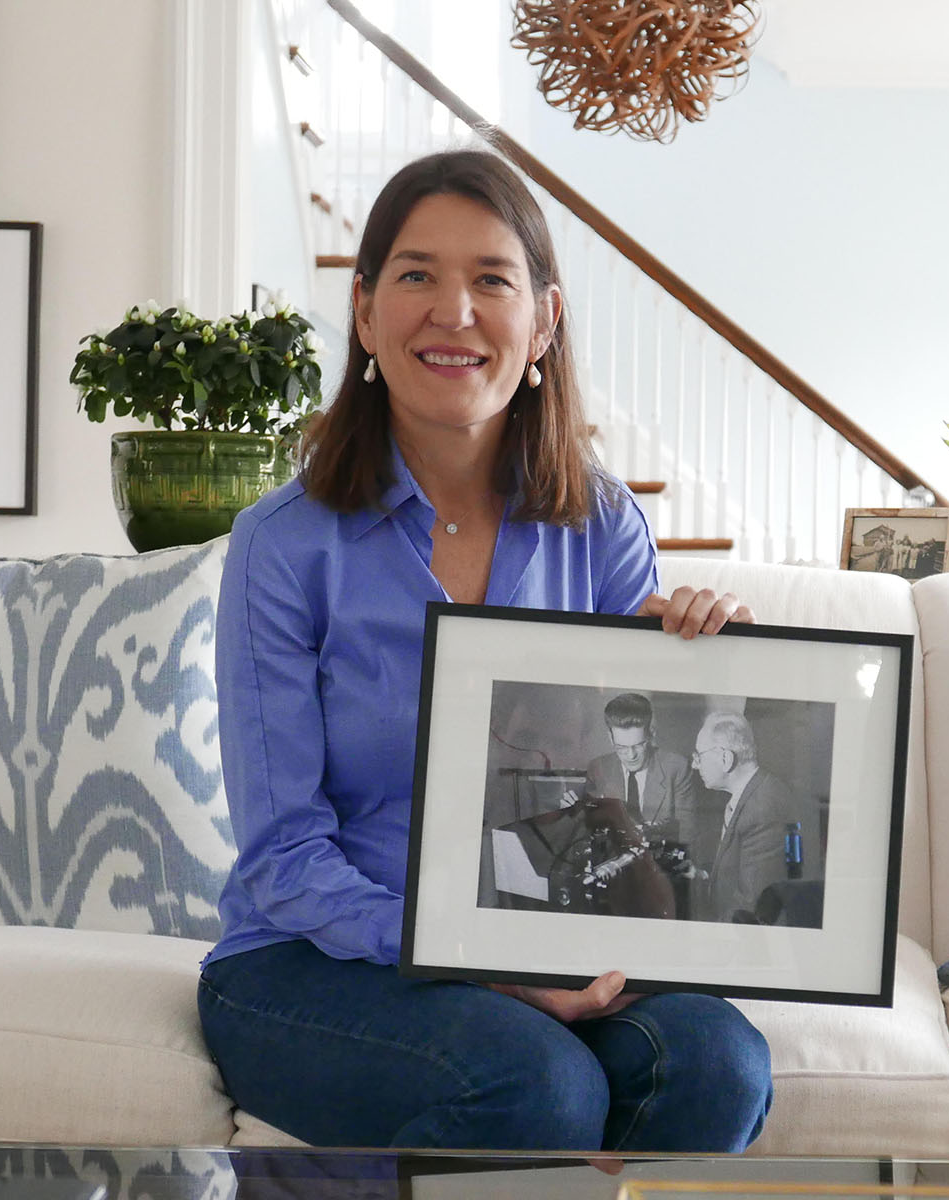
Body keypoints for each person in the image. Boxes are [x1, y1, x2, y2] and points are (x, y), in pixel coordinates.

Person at [199, 150, 773, 1154]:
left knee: (716, 1065)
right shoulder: (284, 544)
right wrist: (483, 964)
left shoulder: (602, 525)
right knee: (533, 1084)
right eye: (417, 275)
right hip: (320, 960)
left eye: (491, 280)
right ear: (366, 312)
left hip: (552, 937)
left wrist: (707, 667)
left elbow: (620, 790)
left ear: (543, 322)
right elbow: (285, 858)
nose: (453, 311)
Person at [690, 711, 820, 926]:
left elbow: (749, 909)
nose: (695, 765)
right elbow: (741, 871)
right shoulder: (751, 793)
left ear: (725, 758)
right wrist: (702, 875)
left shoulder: (763, 809)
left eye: (699, 756)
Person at [582, 693, 699, 838]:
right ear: (610, 738)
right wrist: (574, 814)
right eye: (621, 747)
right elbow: (589, 830)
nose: (631, 756)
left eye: (638, 745)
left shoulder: (677, 768)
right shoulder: (597, 768)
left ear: (651, 735)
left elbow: (687, 835)